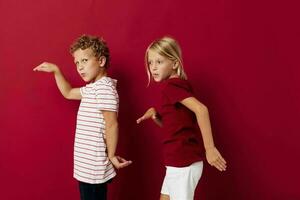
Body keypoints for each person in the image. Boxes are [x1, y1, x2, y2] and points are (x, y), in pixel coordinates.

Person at [33, 34, 132, 200]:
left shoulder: (104, 89)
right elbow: (68, 92)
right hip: (85, 168)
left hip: (93, 168)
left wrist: (112, 155)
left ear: (101, 61)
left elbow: (112, 124)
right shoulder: (93, 88)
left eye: (84, 61)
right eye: (77, 63)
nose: (80, 67)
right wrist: (56, 70)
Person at [136, 36, 227, 200]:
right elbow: (176, 127)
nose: (153, 67)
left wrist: (210, 149)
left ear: (175, 64)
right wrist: (156, 116)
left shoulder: (171, 87)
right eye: (150, 62)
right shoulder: (177, 87)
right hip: (176, 162)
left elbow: (201, 110)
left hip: (182, 162)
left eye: (159, 62)